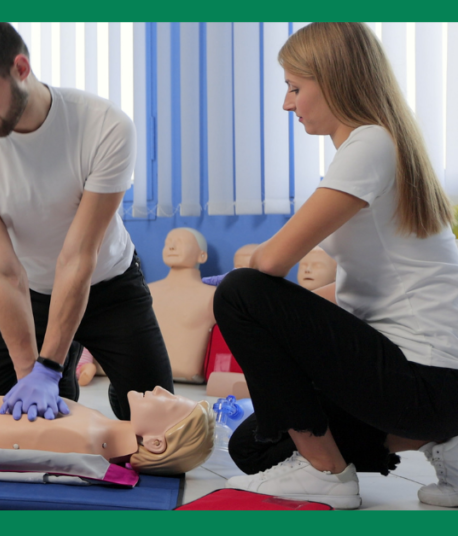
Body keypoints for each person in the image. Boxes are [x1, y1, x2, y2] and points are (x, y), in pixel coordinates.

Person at [215, 22, 458, 509]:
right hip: (427, 385)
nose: (288, 104)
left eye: (294, 87)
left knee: (239, 290)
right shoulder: (383, 145)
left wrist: (240, 294)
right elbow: (355, 296)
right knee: (253, 447)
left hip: (427, 380)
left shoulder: (369, 144)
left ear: (336, 79)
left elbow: (274, 259)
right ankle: (449, 442)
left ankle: (326, 474)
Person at [0, 23, 173, 422]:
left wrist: (47, 369)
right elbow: (3, 270)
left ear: (20, 68)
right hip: (27, 292)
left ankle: (70, 361)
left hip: (108, 288)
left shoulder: (105, 127)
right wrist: (30, 373)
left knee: (160, 423)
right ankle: (63, 369)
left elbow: (78, 256)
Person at [0, 387, 214, 476]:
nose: (160, 389)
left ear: (155, 443)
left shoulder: (85, 440)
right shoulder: (95, 426)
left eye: (170, 401)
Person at [148, 228, 216, 383]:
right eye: (168, 243)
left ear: (202, 255)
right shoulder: (146, 292)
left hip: (192, 389)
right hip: (144, 380)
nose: (171, 247)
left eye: (181, 242)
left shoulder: (212, 295)